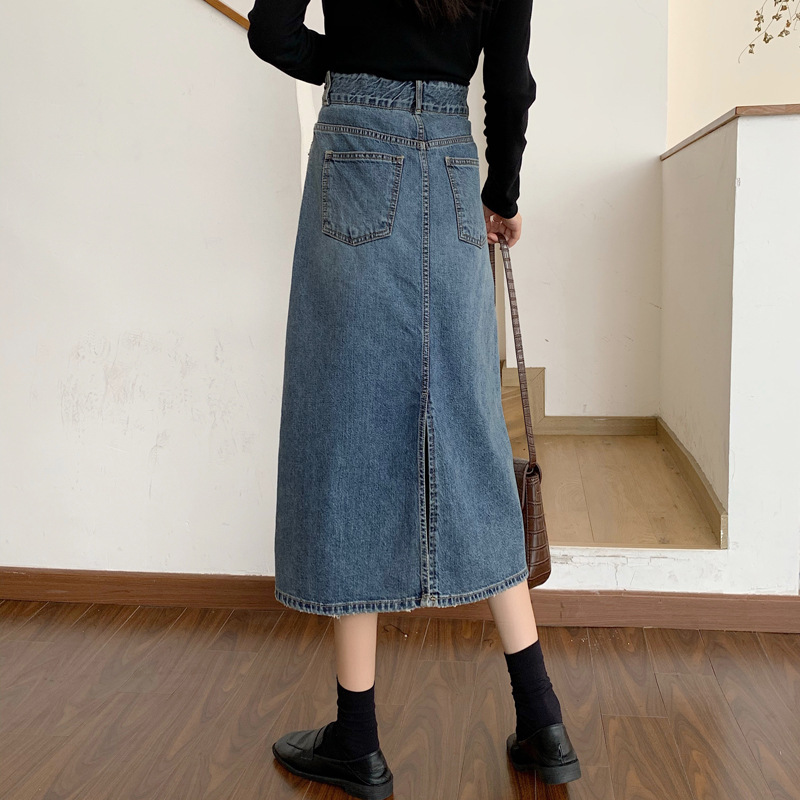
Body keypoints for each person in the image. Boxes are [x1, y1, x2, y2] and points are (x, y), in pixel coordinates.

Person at [246, 1, 581, 797]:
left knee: (350, 432)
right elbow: (511, 83)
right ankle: (543, 719)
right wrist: (502, 194)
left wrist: (349, 64)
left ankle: (357, 739)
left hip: (356, 155)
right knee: (471, 437)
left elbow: (272, 31)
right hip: (455, 168)